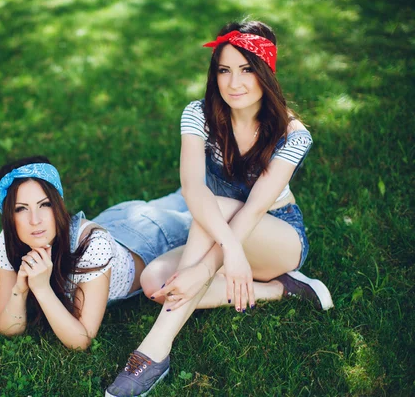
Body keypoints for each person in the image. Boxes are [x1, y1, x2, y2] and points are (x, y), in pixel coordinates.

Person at [105, 20, 334, 397]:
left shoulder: (294, 135)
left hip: (276, 235)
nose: (234, 83)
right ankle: (278, 290)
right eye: (224, 70)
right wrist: (227, 252)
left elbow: (255, 207)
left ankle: (153, 353)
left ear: (266, 73)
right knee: (155, 282)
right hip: (221, 233)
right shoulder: (199, 115)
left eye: (247, 70)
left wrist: (205, 267)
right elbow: (192, 188)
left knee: (218, 210)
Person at [0, 155, 192, 350]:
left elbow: (82, 339)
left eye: (45, 204)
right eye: (21, 209)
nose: (35, 220)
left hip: (149, 237)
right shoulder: (9, 240)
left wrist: (41, 288)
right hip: (119, 220)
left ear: (58, 205)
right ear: (8, 215)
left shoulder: (92, 246)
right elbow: (8, 328)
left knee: (202, 210)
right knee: (182, 196)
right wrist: (19, 291)